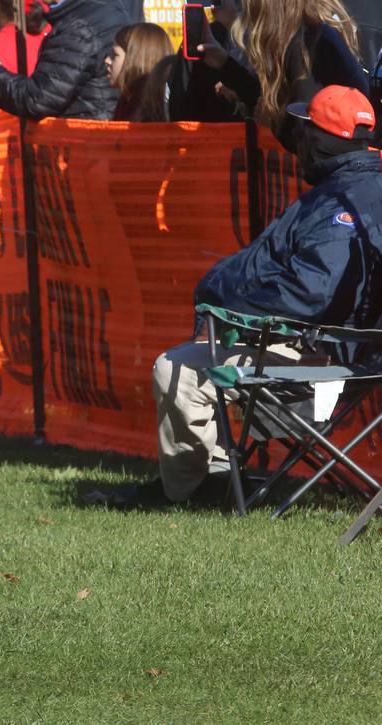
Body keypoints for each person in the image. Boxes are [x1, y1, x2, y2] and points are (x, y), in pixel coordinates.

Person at [112, 85, 382, 508]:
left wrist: (229, 310)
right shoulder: (351, 189)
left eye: (305, 129)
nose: (298, 139)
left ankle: (186, 494)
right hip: (330, 350)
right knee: (202, 356)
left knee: (174, 370)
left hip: (326, 366)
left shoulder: (343, 206)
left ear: (317, 140)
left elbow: (311, 292)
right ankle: (215, 479)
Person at [195, 0, 368, 151]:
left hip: (340, 178)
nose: (245, 7)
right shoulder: (298, 37)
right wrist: (224, 63)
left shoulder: (307, 43)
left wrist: (273, 126)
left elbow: (309, 136)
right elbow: (268, 101)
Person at [0, 0, 143, 120]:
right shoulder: (96, 12)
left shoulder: (79, 26)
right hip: (91, 150)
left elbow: (39, 99)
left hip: (84, 157)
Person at [106, 22, 173, 121]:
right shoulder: (127, 101)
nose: (107, 60)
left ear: (136, 58)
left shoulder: (148, 115)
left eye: (114, 55)